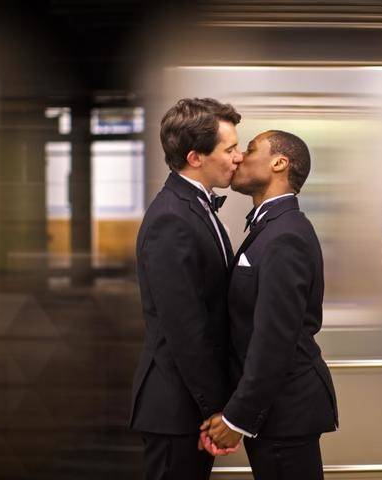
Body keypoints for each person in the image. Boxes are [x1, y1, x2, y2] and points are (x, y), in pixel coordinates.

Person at [200, 130, 338, 480]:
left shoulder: (285, 235)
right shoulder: (271, 228)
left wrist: (237, 418)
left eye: (248, 149)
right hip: (278, 412)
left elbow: (273, 340)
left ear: (279, 163)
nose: (239, 158)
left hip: (285, 412)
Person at [129, 98, 242, 480]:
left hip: (186, 402)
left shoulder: (191, 208)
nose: (238, 158)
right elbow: (185, 326)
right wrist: (214, 410)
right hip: (177, 407)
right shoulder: (171, 219)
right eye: (230, 149)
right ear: (196, 158)